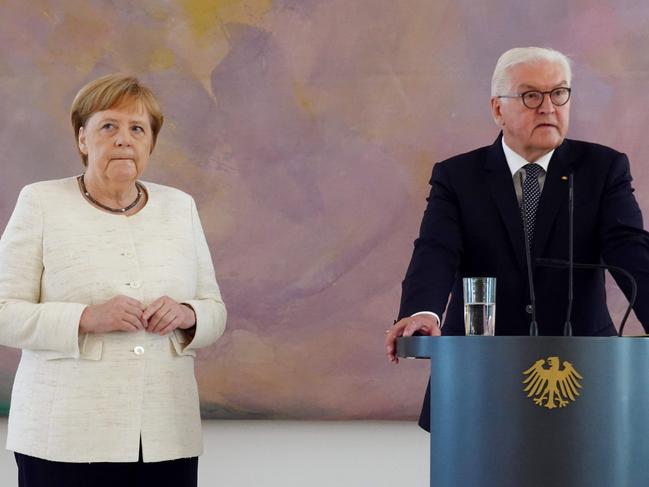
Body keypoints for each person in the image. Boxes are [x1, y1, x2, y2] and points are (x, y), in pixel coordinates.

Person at [384, 47, 649, 430]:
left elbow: (631, 251)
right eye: (531, 96)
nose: (548, 107)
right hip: (479, 371)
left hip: (585, 371)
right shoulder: (458, 177)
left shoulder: (603, 169)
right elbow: (436, 251)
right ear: (497, 109)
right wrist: (422, 311)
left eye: (559, 93)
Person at [0, 74, 227, 486]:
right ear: (83, 139)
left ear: (150, 143)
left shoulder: (180, 207)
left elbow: (215, 309)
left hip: (165, 436)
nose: (124, 139)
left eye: (137, 129)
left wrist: (187, 314)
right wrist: (85, 317)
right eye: (109, 126)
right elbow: (3, 313)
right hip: (64, 438)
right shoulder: (41, 202)